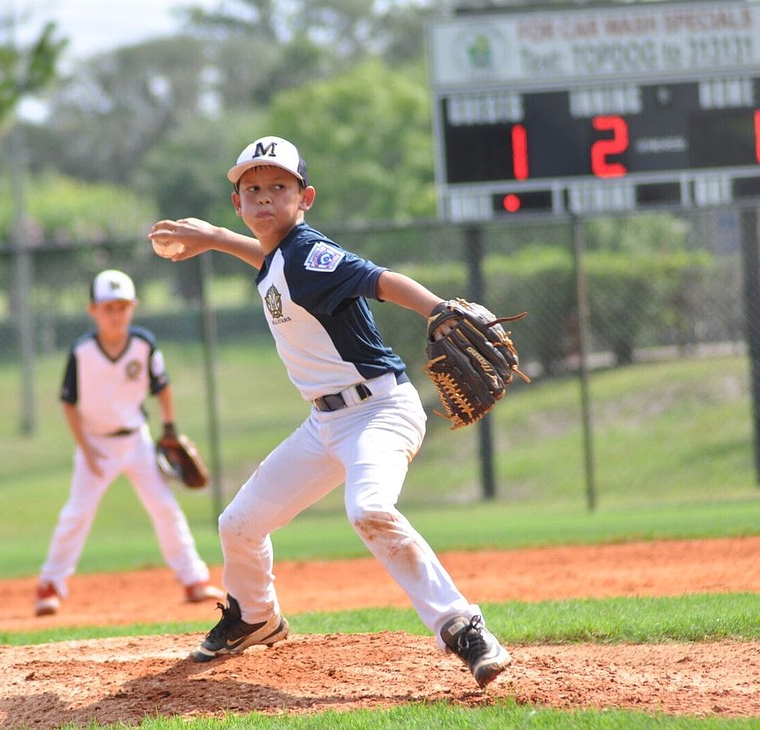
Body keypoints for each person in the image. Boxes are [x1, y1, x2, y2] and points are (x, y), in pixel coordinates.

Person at [148, 136, 511, 688]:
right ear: (238, 203)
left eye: (279, 186)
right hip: (325, 424)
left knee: (369, 508)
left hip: (379, 410)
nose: (264, 197)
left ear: (305, 198)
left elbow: (377, 278)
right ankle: (255, 617)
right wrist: (215, 237)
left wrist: (436, 308)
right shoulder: (282, 258)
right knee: (238, 525)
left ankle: (462, 626)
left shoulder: (311, 253)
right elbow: (270, 259)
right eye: (252, 188)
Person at [34, 269, 225, 616]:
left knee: (164, 507)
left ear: (133, 307)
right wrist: (86, 449)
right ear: (93, 310)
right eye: (108, 308)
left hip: (137, 441)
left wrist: (169, 429)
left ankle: (194, 580)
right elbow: (68, 402)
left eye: (122, 307)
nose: (116, 314)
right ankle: (50, 585)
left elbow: (162, 387)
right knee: (77, 513)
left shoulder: (143, 344)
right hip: (95, 444)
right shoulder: (82, 352)